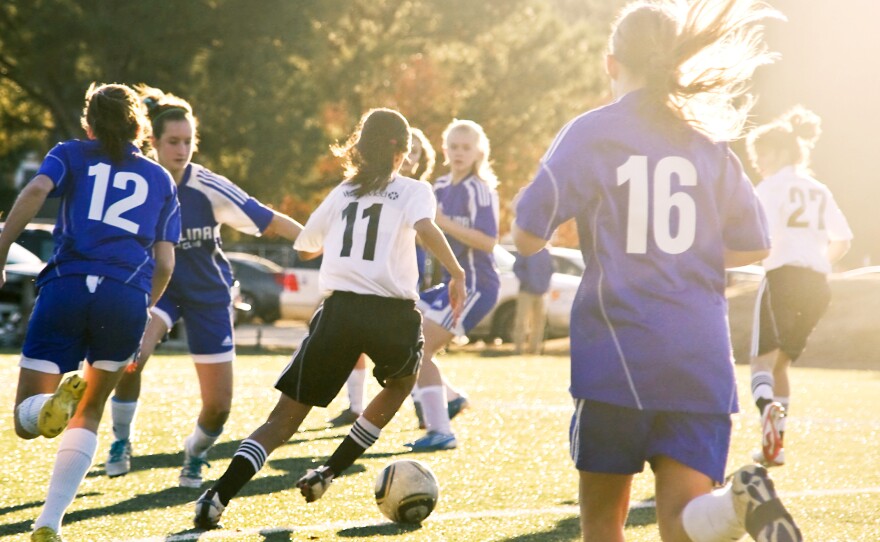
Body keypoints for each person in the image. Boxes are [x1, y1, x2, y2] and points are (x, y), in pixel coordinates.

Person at [512, 1, 803, 541]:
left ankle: (735, 502)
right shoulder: (708, 140)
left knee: (602, 523)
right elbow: (753, 244)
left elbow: (529, 236)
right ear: (678, 64)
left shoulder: (593, 132)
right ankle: (736, 502)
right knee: (680, 524)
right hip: (700, 355)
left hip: (618, 350)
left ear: (610, 63)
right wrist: (684, 253)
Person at [192, 108, 465, 529]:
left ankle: (217, 496)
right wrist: (457, 272)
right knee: (400, 386)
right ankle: (329, 471)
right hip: (392, 312)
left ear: (362, 147)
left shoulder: (344, 192)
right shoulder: (414, 190)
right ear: (403, 152)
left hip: (339, 310)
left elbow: (305, 248)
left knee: (282, 420)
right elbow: (426, 228)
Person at [1, 83, 180, 542]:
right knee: (92, 409)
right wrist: (144, 307)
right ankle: (49, 522)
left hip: (68, 286)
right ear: (141, 128)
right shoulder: (161, 179)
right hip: (125, 295)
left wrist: (1, 251)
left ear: (89, 124)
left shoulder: (69, 153)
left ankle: (48, 404)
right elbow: (165, 263)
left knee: (26, 417)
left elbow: (37, 189)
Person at [101, 85, 304, 487]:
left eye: (188, 141)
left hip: (209, 295)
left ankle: (195, 453)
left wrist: (315, 244)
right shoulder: (135, 180)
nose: (181, 149)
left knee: (218, 407)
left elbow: (266, 218)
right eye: (172, 142)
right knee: (132, 356)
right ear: (152, 142)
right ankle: (121, 440)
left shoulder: (208, 184)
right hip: (159, 290)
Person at [746, 106, 852, 468]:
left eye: (763, 153)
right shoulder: (818, 189)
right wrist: (819, 262)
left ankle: (766, 408)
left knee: (760, 364)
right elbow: (843, 240)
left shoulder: (768, 188)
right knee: (780, 368)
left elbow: (754, 237)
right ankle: (776, 446)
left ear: (782, 152)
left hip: (782, 279)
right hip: (817, 285)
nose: (758, 161)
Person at [327, 126, 438, 427]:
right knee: (358, 343)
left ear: (420, 159)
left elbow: (422, 233)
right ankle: (355, 406)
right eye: (407, 149)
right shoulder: (369, 187)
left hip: (401, 276)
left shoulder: (417, 192)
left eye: (415, 152)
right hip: (366, 280)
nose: (407, 156)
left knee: (408, 350)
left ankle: (426, 409)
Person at [405, 119, 501, 451]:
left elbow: (489, 241)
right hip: (448, 285)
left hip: (475, 285)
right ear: (445, 150)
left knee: (420, 348)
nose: (459, 153)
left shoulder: (480, 189)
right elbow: (427, 237)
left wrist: (444, 223)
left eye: (466, 147)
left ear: (478, 153)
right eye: (454, 147)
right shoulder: (439, 187)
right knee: (405, 336)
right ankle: (451, 399)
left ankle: (441, 430)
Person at [512, 246, 554, 355]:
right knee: (522, 321)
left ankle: (534, 350)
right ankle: (518, 350)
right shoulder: (525, 249)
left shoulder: (546, 252)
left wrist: (545, 285)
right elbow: (517, 268)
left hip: (541, 293)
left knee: (539, 323)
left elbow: (551, 269)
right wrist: (527, 281)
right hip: (526, 291)